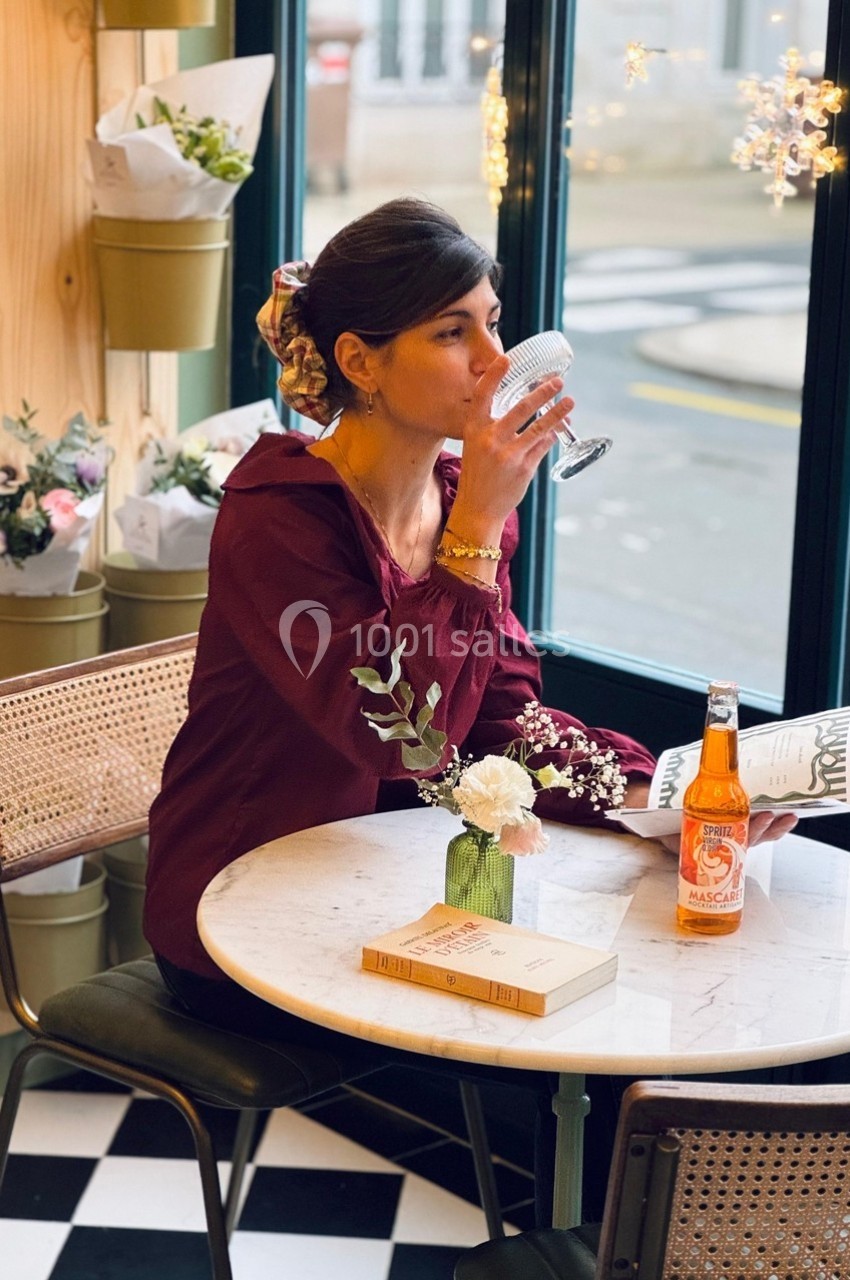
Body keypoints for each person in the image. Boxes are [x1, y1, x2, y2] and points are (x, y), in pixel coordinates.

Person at [144, 196, 796, 1215]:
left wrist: (661, 793)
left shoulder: (458, 500)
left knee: (634, 1002)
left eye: (494, 322)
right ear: (360, 361)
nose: (496, 361)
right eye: (454, 332)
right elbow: (412, 741)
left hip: (378, 890)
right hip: (239, 913)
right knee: (590, 1074)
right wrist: (481, 526)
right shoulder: (277, 520)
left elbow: (499, 727)